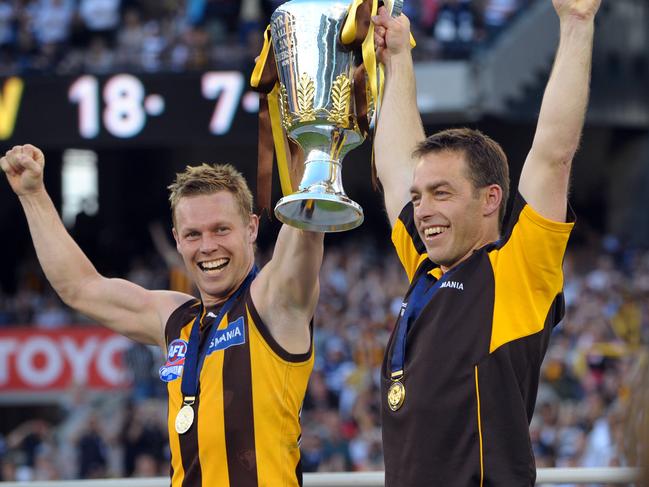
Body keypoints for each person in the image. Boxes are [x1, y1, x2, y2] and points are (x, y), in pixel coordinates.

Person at [372, 0, 601, 485]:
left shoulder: (517, 270)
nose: (422, 209)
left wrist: (577, 22)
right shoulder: (426, 269)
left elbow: (554, 156)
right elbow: (396, 170)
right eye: (420, 197)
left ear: (489, 199)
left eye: (441, 193)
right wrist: (397, 57)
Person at [0, 148, 323, 486]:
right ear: (177, 241)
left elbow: (304, 233)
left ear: (252, 228)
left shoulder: (274, 303)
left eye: (221, 229)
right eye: (193, 234)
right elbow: (80, 287)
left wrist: (313, 146)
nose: (208, 245)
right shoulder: (176, 319)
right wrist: (32, 194)